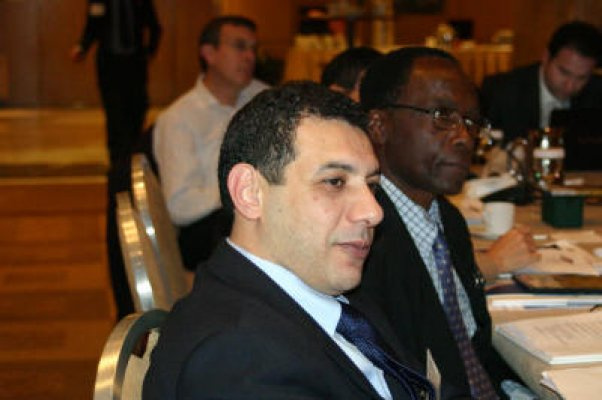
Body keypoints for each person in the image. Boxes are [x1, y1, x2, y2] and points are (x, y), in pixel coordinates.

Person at [143, 81, 435, 400]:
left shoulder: (328, 287)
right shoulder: (235, 359)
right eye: (334, 182)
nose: (374, 212)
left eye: (371, 186)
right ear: (249, 192)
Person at [358, 47, 522, 399]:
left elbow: (472, 348)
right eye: (442, 116)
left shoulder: (447, 218)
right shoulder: (363, 239)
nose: (464, 137)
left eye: (471, 121)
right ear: (379, 126)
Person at [153, 16, 268, 270]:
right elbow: (180, 205)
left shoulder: (263, 98)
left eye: (253, 48)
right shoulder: (180, 118)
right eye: (239, 47)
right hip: (210, 235)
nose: (250, 57)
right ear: (209, 53)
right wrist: (242, 188)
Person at [71, 0, 162, 165]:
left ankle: (133, 155)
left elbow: (154, 26)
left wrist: (149, 51)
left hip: (134, 64)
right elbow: (92, 26)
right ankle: (118, 164)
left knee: (137, 110)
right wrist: (82, 47)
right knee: (115, 116)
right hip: (109, 65)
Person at [481, 21, 602, 144]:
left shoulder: (598, 92)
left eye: (582, 78)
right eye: (564, 72)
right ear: (546, 57)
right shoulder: (501, 90)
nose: (570, 86)